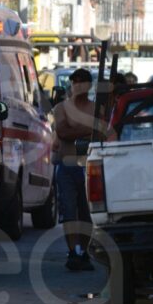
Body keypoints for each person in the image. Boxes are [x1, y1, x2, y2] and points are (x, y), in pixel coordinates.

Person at [52, 68, 102, 271]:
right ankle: (73, 252)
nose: (79, 85)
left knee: (87, 214)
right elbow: (63, 132)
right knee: (69, 212)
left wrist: (81, 130)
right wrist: (90, 129)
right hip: (68, 165)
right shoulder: (61, 108)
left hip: (91, 167)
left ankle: (83, 252)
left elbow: (103, 130)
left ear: (89, 85)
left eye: (83, 81)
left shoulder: (96, 108)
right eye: (75, 81)